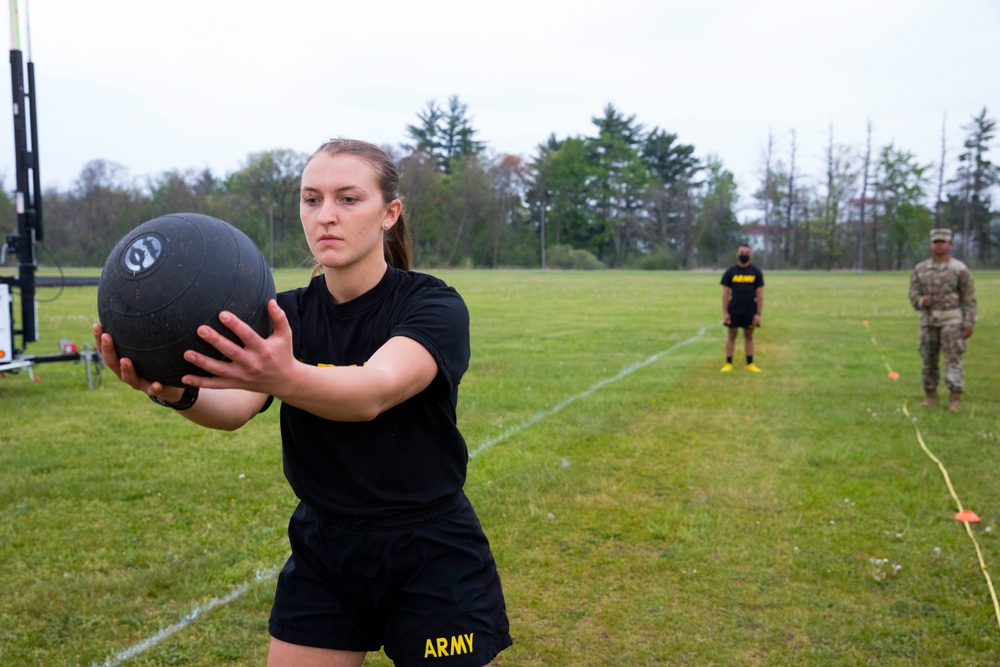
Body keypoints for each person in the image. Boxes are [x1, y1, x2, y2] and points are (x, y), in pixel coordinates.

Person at [94, 139, 512, 667]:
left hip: (429, 551)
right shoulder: (283, 314)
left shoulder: (433, 305)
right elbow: (233, 410)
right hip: (326, 550)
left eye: (348, 199)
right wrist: (175, 392)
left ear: (390, 213)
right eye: (311, 199)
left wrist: (284, 375)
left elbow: (373, 391)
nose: (326, 216)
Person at [908, 227, 977, 412]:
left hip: (952, 320)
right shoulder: (921, 269)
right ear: (931, 244)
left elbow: (969, 299)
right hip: (929, 321)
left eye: (942, 242)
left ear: (949, 244)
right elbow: (913, 295)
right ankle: (930, 395)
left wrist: (969, 323)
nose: (938, 245)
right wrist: (923, 301)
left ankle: (954, 398)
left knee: (953, 359)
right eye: (935, 242)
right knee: (928, 359)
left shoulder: (959, 269)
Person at [720, 244, 764, 373]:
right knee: (731, 335)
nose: (744, 254)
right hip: (734, 308)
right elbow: (725, 294)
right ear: (737, 254)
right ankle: (728, 363)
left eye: (746, 252)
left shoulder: (756, 272)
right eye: (741, 252)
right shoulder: (730, 272)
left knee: (749, 336)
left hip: (750, 309)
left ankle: (750, 363)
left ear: (751, 255)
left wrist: (758, 313)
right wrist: (725, 312)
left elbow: (760, 294)